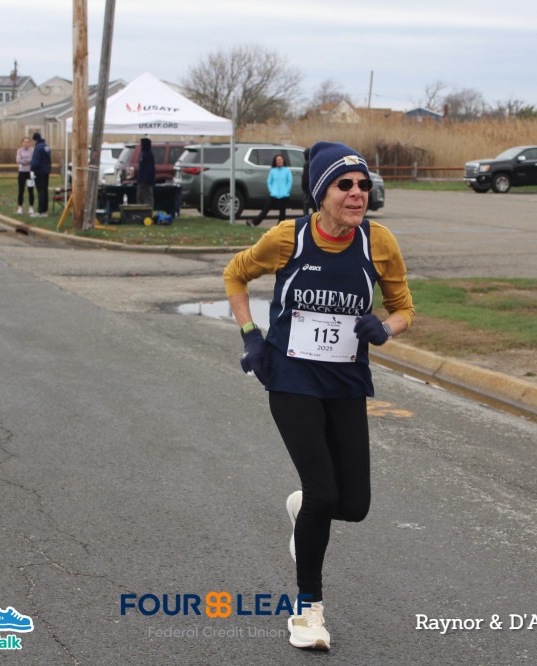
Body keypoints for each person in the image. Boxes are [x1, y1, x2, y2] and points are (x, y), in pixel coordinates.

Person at [223, 141, 415, 651]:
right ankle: (307, 611)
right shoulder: (289, 237)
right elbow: (235, 273)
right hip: (291, 378)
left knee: (354, 505)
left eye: (363, 185)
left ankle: (302, 507)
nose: (357, 193)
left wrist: (385, 328)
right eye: (344, 185)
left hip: (346, 382)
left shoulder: (379, 241)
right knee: (324, 493)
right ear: (321, 194)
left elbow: (404, 309)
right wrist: (250, 334)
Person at [249, 154, 293, 227]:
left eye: (280, 160)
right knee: (265, 209)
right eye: (278, 160)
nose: (279, 161)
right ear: (275, 162)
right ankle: (254, 222)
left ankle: (280, 227)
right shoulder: (273, 171)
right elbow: (269, 182)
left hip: (284, 195)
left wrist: (286, 191)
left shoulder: (287, 171)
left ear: (283, 161)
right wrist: (272, 191)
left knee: (282, 212)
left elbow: (289, 182)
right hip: (274, 194)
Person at [30, 132, 52, 217]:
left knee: (41, 191)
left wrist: (32, 170)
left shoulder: (38, 147)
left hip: (39, 172)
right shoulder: (46, 147)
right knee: (45, 191)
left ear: (35, 140)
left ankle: (40, 211)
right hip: (46, 172)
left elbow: (35, 160)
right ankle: (45, 210)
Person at [15, 136, 35, 215]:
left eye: (27, 142)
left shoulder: (32, 150)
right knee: (21, 190)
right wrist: (27, 161)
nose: (26, 143)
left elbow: (33, 160)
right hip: (22, 172)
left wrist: (24, 161)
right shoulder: (19, 150)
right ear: (22, 143)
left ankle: (31, 207)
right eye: (25, 142)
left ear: (29, 143)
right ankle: (20, 208)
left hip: (30, 172)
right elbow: (18, 160)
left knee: (31, 190)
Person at [136, 137, 156, 209]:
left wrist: (145, 180)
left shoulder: (148, 154)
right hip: (141, 181)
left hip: (146, 182)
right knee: (140, 197)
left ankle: (148, 211)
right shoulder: (143, 154)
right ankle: (141, 211)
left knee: (147, 198)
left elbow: (149, 169)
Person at [300, 147, 314, 216]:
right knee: (315, 207)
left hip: (308, 188)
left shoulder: (307, 164)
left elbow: (305, 177)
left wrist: (303, 187)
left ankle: (306, 218)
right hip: (314, 187)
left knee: (306, 206)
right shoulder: (314, 162)